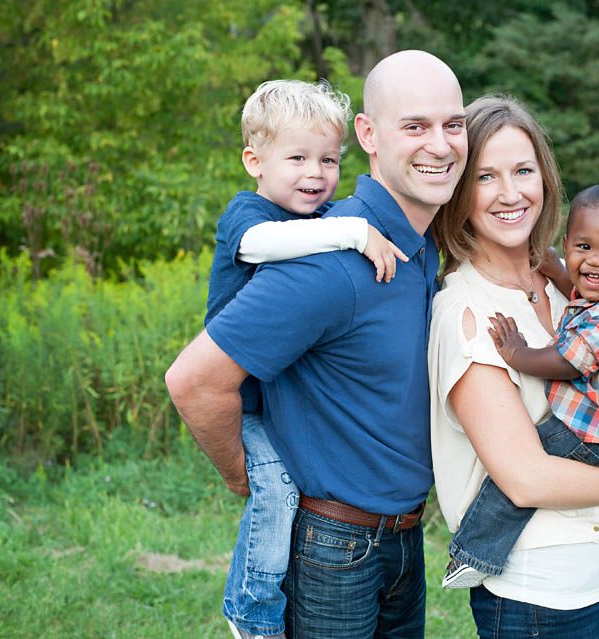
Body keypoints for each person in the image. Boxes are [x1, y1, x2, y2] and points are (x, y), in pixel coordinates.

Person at [165, 50, 468, 639]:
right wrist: (243, 475)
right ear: (369, 134)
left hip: (404, 539)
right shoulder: (330, 260)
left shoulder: (421, 243)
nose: (440, 143)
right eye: (415, 126)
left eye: (451, 124)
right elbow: (194, 381)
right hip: (335, 549)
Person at [429, 95, 599, 638]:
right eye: (485, 177)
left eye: (523, 170)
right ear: (458, 192)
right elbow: (524, 479)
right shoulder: (468, 312)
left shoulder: (578, 287)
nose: (510, 193)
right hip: (537, 595)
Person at [203, 79, 408, 639]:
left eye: (328, 159)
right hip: (244, 403)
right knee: (277, 489)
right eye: (297, 158)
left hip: (277, 403)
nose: (315, 173)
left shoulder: (316, 222)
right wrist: (354, 230)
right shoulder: (247, 213)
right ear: (254, 161)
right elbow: (260, 247)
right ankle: (252, 610)